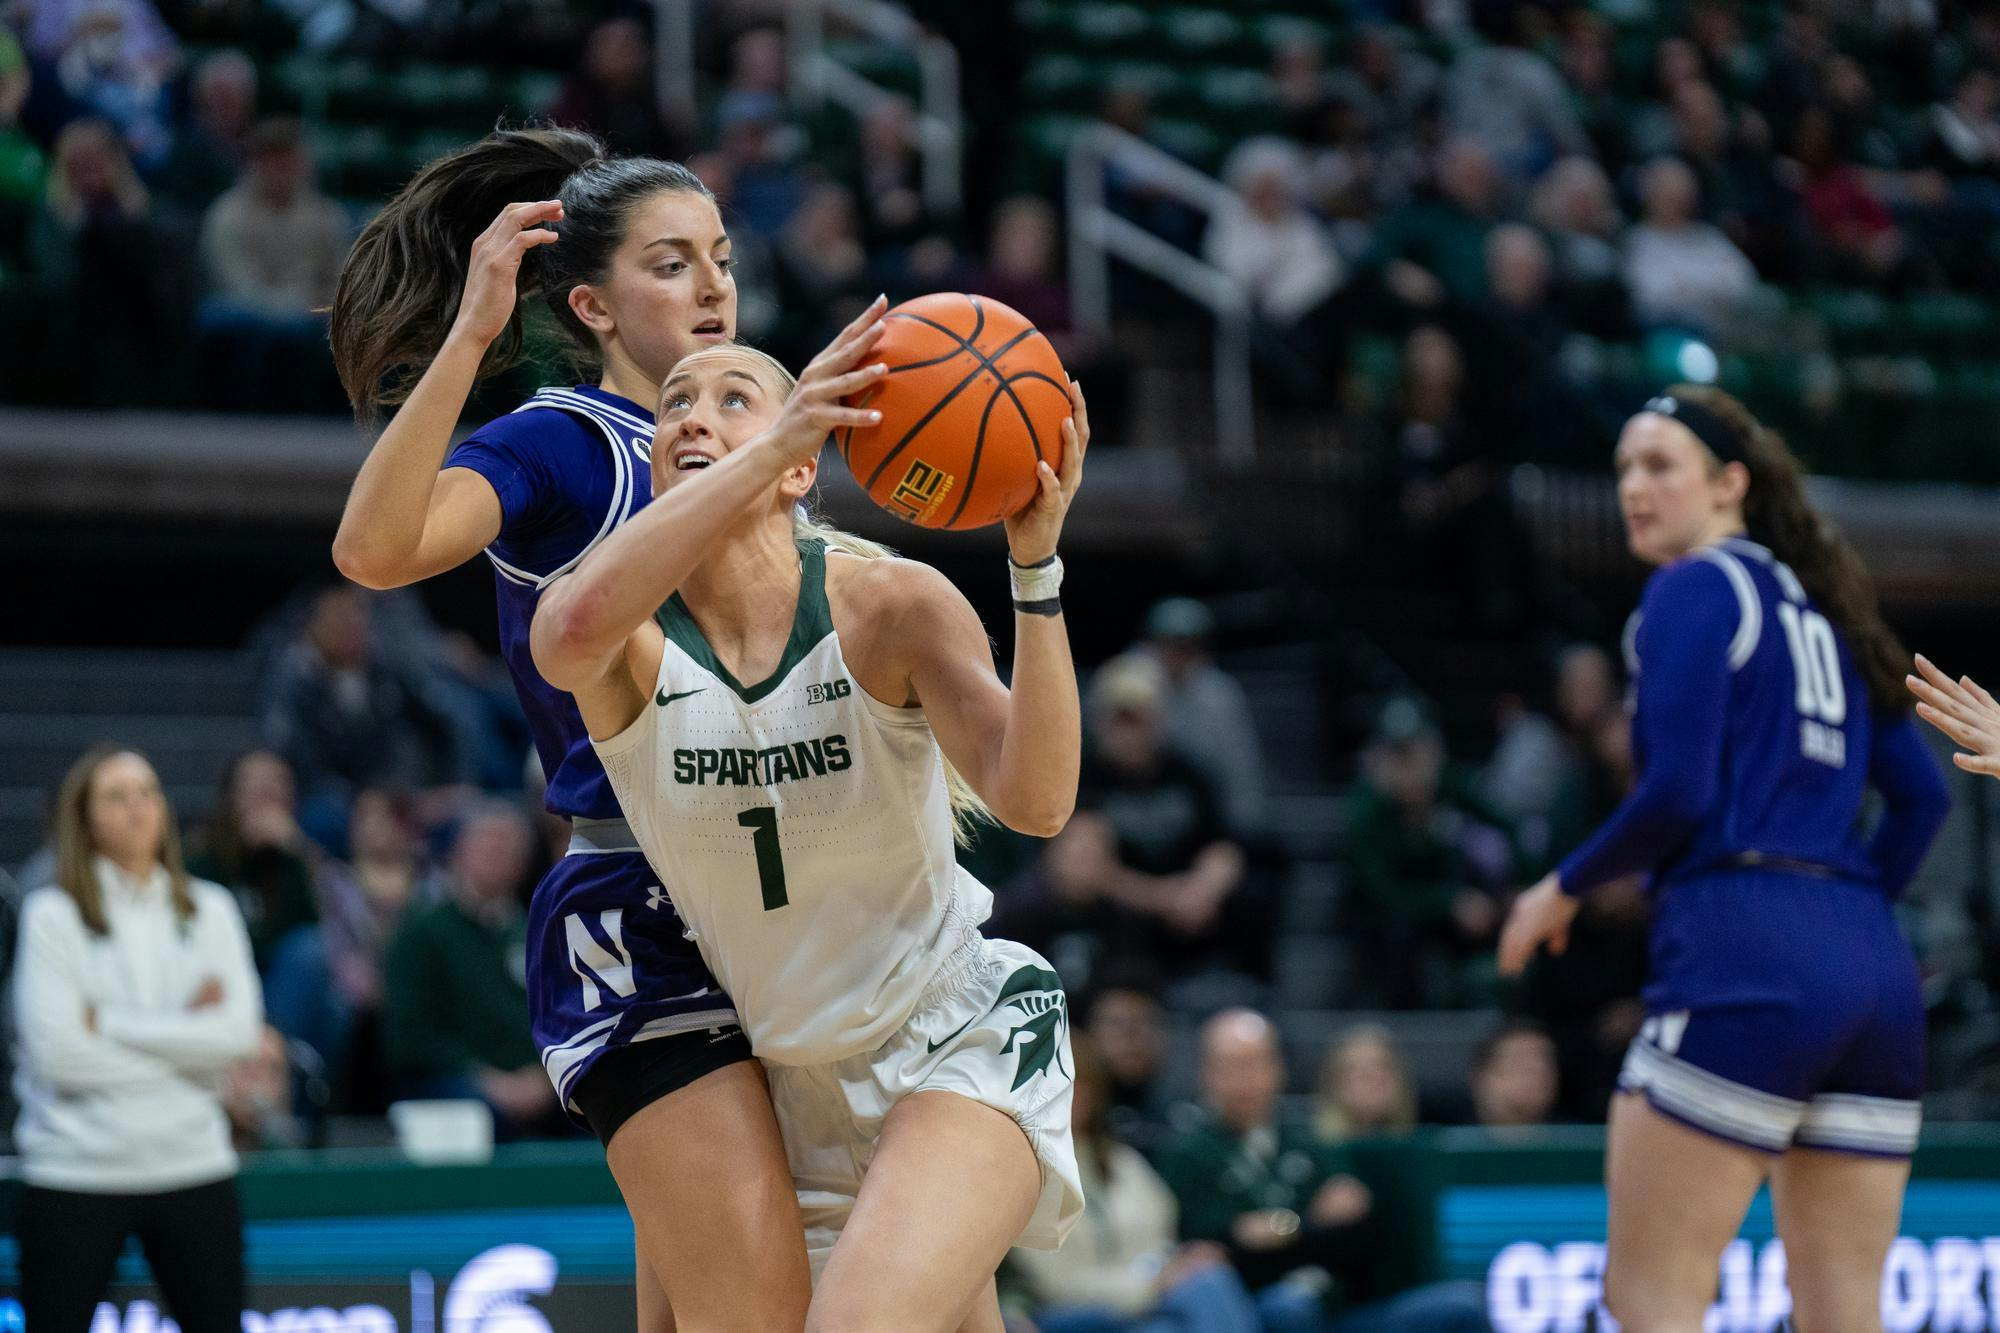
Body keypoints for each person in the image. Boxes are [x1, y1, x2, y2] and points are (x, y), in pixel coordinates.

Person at [326, 126, 804, 1329]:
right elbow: (374, 552)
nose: (711, 288)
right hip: (641, 907)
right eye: (669, 264)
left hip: (788, 900)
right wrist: (471, 332)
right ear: (588, 304)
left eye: (722, 258)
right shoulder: (564, 439)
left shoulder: (755, 440)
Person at [527, 326, 1090, 1327]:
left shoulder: (889, 605)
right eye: (671, 406)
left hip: (952, 1029)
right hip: (786, 1077)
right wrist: (768, 431)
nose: (691, 414)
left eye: (733, 397)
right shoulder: (628, 643)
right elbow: (562, 636)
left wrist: (1034, 569)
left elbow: (1037, 801)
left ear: (799, 469)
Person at [1498, 387, 1952, 1332]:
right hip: (1875, 970)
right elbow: (1926, 798)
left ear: (1729, 482)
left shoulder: (1695, 586)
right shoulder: (1834, 613)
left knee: (1652, 1300)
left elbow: (1679, 794)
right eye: (1624, 467)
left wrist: (1560, 885)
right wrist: (1842, 925)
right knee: (1844, 1314)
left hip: (1745, 946)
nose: (1634, 486)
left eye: (1660, 465)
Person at [12, 746, 262, 1333]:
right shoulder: (51, 914)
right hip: (75, 1170)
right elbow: (58, 1058)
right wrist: (190, 1060)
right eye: (116, 796)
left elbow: (236, 1037)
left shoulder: (211, 909)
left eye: (147, 792)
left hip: (194, 1165)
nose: (137, 808)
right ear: (84, 817)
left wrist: (109, 1023)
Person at [1154, 1010, 1490, 1333]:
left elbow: (1354, 1232)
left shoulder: (1309, 1140)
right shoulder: (1188, 1154)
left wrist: (1280, 1230)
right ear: (1206, 1073)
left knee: (1462, 1306)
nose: (1246, 1079)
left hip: (1339, 1308)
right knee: (1287, 1307)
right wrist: (1307, 1225)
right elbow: (1213, 1250)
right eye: (1232, 1066)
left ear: (1279, 1068)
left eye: (1256, 1063)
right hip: (1254, 1313)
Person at [1013, 1037, 1262, 1333]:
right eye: (1058, 1081)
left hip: (1148, 1295)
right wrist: (1152, 1283)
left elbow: (1162, 1223)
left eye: (1079, 1083)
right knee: (1205, 1290)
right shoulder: (1023, 1170)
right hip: (1074, 1310)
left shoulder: (1119, 1159)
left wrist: (1175, 1266)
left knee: (1187, 1303)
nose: (1071, 1093)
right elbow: (1055, 1283)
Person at [382, 802, 563, 1139]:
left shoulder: (541, 933)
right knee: (478, 1112)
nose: (497, 849)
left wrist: (544, 1078)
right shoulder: (422, 933)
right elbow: (410, 1037)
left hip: (540, 1081)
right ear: (456, 852)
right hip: (452, 1083)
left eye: (508, 843)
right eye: (487, 840)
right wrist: (488, 1080)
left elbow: (563, 1018)